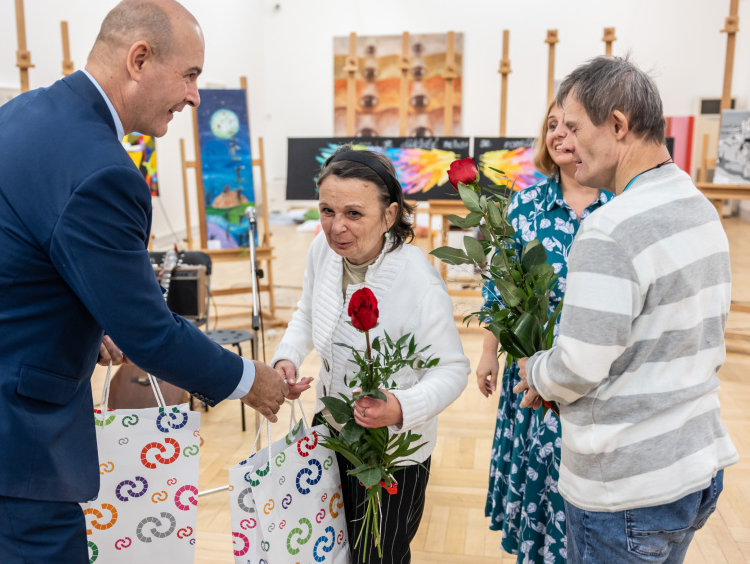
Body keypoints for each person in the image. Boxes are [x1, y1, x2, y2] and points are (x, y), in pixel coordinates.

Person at [0, 0, 287, 563]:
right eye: (189, 75)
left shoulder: (25, 112)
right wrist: (249, 380)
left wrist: (88, 321)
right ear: (139, 59)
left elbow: (16, 257)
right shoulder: (102, 171)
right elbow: (150, 334)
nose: (194, 95)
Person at [515, 55, 739, 564]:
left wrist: (535, 371)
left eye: (574, 127)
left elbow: (577, 367)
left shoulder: (611, 227)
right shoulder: (697, 205)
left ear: (618, 125)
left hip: (625, 489)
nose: (565, 141)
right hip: (692, 467)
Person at [272, 146, 471, 563]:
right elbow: (308, 311)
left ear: (390, 214)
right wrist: (287, 357)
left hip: (392, 452)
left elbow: (452, 369)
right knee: (327, 546)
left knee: (378, 555)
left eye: (354, 213)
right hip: (331, 432)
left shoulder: (419, 282)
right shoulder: (322, 251)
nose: (336, 227)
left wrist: (401, 407)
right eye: (327, 210)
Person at [478, 102, 612, 562]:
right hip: (531, 371)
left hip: (597, 375)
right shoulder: (525, 205)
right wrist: (488, 354)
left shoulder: (619, 205)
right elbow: (501, 288)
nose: (558, 133)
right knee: (539, 477)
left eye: (570, 125)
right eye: (551, 125)